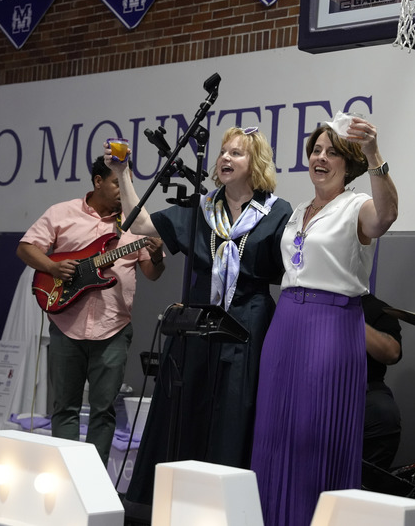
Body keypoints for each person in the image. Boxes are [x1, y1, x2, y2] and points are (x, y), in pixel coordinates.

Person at [107, 127, 292, 523]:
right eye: (223, 152)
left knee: (235, 416)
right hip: (197, 328)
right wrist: (124, 173)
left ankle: (228, 510)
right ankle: (176, 506)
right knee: (185, 412)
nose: (225, 158)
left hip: (248, 329)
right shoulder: (202, 208)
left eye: (237, 153)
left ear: (255, 163)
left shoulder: (277, 212)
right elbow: (138, 225)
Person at [251, 113, 398, 526]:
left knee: (312, 435)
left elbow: (386, 217)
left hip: (331, 325)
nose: (320, 157)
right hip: (286, 325)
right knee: (273, 432)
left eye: (331, 152)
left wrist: (375, 156)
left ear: (347, 164)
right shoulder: (298, 210)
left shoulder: (358, 205)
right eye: (316, 150)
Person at [16, 157, 165, 466]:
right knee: (65, 407)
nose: (124, 190)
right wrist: (53, 266)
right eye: (116, 182)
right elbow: (25, 247)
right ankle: (65, 476)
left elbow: (152, 272)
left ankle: (92, 480)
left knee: (104, 409)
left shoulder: (135, 224)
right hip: (66, 323)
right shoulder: (61, 213)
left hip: (113, 328)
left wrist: (158, 254)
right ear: (98, 182)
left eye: (128, 184)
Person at [361, 293, 403, 471]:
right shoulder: (306, 302)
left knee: (384, 413)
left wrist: (348, 315)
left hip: (366, 387)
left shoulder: (377, 309)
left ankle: (364, 486)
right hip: (313, 387)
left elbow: (392, 354)